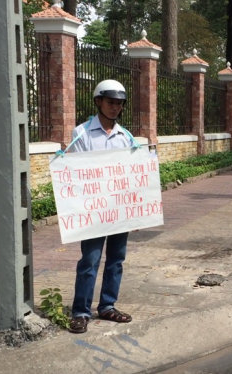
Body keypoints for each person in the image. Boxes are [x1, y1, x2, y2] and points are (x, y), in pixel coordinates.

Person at [68, 79, 136, 333]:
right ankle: (80, 311)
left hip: (118, 209)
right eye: (110, 102)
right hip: (94, 209)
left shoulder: (126, 137)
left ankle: (107, 305)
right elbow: (78, 171)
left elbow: (133, 173)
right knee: (90, 259)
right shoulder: (82, 134)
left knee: (116, 259)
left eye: (119, 104)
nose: (114, 108)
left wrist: (137, 211)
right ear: (98, 102)